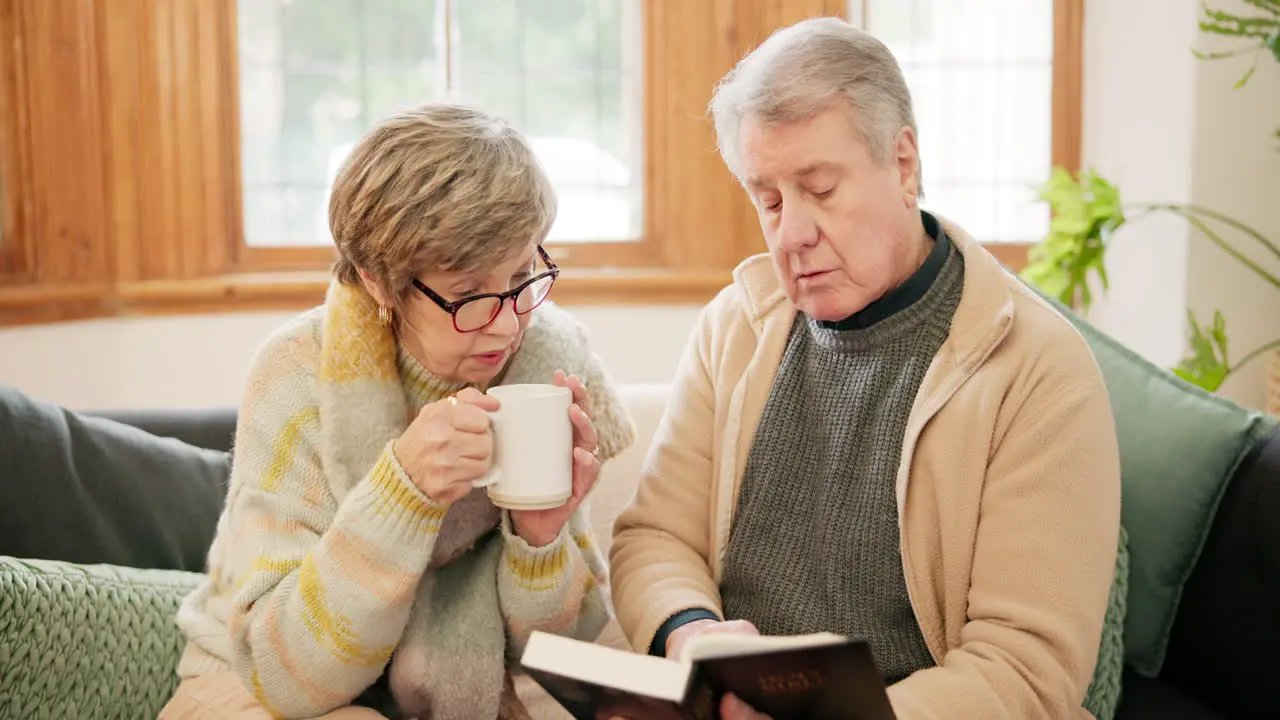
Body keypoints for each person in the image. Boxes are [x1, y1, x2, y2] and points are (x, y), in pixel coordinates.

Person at [609, 17, 1121, 720]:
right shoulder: (736, 326)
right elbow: (656, 538)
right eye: (769, 199)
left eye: (820, 190)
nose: (792, 233)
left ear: (903, 163)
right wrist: (688, 629)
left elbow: (1024, 674)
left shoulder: (1037, 369)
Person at [160, 104, 635, 720]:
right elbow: (290, 678)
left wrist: (540, 541)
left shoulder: (550, 357)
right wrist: (400, 496)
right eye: (467, 294)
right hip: (258, 680)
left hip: (465, 680)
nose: (509, 321)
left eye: (522, 276)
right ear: (379, 281)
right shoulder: (297, 373)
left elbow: (566, 654)